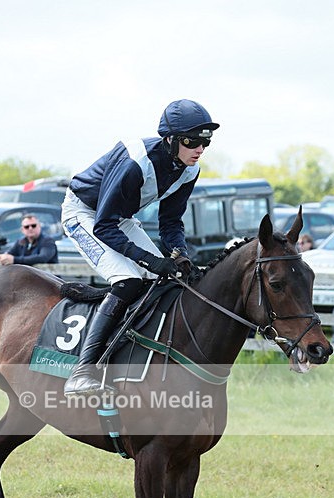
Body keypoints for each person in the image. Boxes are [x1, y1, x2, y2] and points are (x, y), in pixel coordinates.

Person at [61, 98, 219, 396]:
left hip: (119, 218)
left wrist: (179, 254)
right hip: (83, 213)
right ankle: (82, 372)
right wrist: (149, 259)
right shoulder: (135, 162)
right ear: (171, 140)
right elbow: (103, 225)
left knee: (163, 280)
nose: (199, 149)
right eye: (192, 141)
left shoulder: (189, 170)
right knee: (129, 280)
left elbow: (171, 223)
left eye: (205, 144)